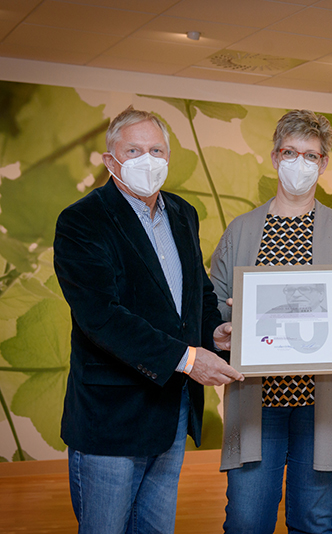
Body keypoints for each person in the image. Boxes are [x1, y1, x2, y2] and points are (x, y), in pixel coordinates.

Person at [53, 106, 244, 534]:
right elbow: (100, 317)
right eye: (133, 150)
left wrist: (212, 334)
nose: (147, 159)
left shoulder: (182, 213)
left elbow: (198, 293)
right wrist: (189, 359)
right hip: (112, 417)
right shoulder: (82, 221)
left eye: (156, 149)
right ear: (110, 160)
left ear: (168, 158)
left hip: (170, 410)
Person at [210, 109, 332, 534]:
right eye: (291, 152)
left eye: (311, 155)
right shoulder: (241, 230)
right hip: (257, 404)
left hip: (320, 405)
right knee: (246, 521)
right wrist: (221, 330)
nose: (300, 163)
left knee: (313, 522)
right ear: (275, 156)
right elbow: (215, 301)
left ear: (324, 163)